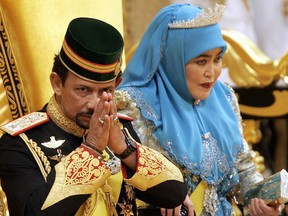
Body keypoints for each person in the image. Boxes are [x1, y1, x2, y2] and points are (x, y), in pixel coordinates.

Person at [0, 17, 188, 216]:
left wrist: (124, 149)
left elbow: (175, 193)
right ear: (57, 83)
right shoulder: (18, 143)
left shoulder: (119, 130)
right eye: (83, 90)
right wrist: (91, 148)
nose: (93, 104)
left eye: (104, 91)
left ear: (116, 86)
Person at [116, 3, 285, 216]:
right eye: (201, 61)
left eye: (217, 60)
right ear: (173, 57)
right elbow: (119, 181)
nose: (212, 72)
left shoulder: (224, 98)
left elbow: (244, 170)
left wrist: (262, 199)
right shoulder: (133, 105)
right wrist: (162, 192)